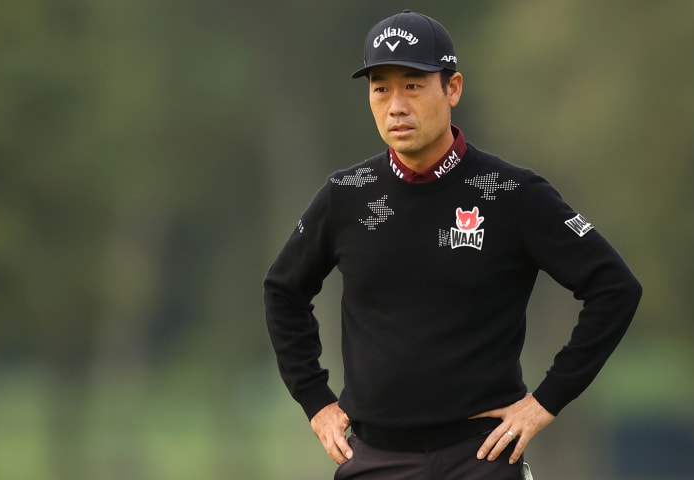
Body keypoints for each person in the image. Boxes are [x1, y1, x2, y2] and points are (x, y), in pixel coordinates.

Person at [263, 9, 642, 480]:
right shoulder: (348, 195)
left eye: (414, 85)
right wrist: (316, 400)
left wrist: (545, 402)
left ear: (453, 88)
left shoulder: (511, 193)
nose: (396, 105)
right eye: (381, 87)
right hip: (375, 461)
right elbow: (283, 291)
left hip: (479, 461)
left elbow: (614, 287)